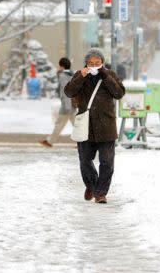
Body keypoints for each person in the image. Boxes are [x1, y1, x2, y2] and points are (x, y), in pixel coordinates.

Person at [64, 48, 125, 204]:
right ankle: (91, 185)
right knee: (85, 160)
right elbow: (69, 92)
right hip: (86, 126)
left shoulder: (109, 75)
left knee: (107, 162)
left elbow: (119, 93)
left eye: (97, 63)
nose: (94, 65)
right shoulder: (80, 74)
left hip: (106, 126)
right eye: (91, 63)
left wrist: (105, 76)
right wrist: (80, 77)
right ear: (86, 63)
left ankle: (100, 193)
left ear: (102, 63)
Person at [38, 57, 76, 148]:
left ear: (62, 66)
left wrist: (67, 106)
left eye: (59, 65)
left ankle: (50, 142)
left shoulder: (63, 76)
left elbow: (65, 91)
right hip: (73, 104)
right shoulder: (73, 74)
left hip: (67, 106)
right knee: (77, 125)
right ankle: (84, 143)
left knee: (59, 124)